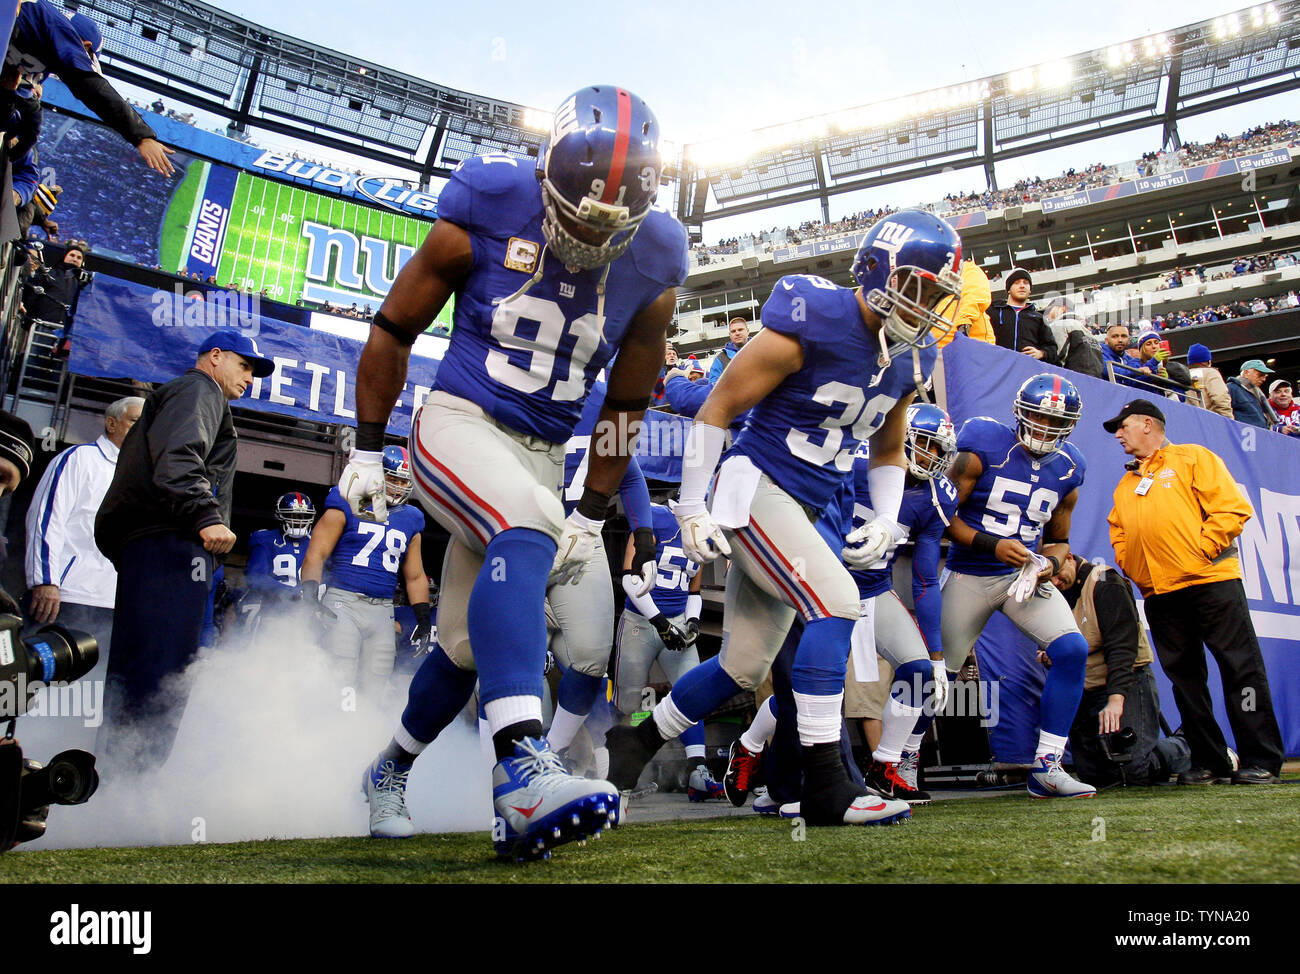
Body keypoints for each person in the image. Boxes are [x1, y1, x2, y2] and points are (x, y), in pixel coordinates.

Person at [345, 86, 686, 860]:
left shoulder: (658, 256)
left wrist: (595, 515)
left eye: (613, 227)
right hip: (459, 423)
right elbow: (394, 327)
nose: (592, 241)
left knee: (468, 648)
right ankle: (524, 770)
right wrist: (368, 447)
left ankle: (387, 771)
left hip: (541, 453)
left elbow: (627, 404)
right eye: (577, 215)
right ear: (546, 182)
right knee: (525, 518)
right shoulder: (490, 202)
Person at [607, 209, 964, 827]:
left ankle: (634, 744)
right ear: (878, 271)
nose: (927, 304)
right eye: (919, 287)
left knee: (743, 666)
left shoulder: (911, 356)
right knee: (836, 604)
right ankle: (827, 782)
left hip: (807, 501)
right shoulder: (815, 317)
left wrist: (884, 518)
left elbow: (888, 444)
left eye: (938, 293)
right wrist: (691, 504)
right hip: (758, 488)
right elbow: (716, 406)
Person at [94, 331, 273, 769]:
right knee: (164, 670)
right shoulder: (200, 389)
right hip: (171, 542)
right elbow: (179, 459)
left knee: (137, 671)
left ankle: (116, 783)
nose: (250, 378)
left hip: (153, 544)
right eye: (244, 365)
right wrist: (205, 515)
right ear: (215, 357)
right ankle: (136, 784)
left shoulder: (190, 393)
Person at [1105, 399, 1284, 785]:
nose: (1118, 435)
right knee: (1185, 681)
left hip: (1212, 583)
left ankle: (1260, 759)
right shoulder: (1127, 482)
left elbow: (1232, 509)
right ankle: (1209, 761)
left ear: (1148, 424)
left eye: (1123, 426)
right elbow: (1118, 532)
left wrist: (1199, 552)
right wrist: (1136, 569)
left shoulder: (1192, 458)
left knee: (1241, 669)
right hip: (1161, 594)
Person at [941, 373, 1095, 798]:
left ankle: (1047, 765)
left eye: (1055, 423)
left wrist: (1051, 562)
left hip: (1021, 577)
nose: (1045, 429)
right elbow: (942, 517)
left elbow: (1060, 540)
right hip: (970, 573)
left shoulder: (1069, 467)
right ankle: (901, 760)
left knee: (1071, 649)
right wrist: (992, 545)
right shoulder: (983, 445)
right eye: (1038, 418)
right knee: (939, 673)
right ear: (1021, 414)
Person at [846, 403, 959, 805]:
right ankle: (756, 748)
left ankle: (885, 766)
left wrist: (938, 655)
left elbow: (926, 578)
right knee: (807, 684)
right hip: (824, 585)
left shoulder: (935, 495)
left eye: (938, 449)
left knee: (919, 672)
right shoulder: (856, 460)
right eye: (925, 444)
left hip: (875, 589)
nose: (931, 456)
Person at [23, 396, 143, 731]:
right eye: (135, 421)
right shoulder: (79, 459)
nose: (141, 431)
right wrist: (45, 581)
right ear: (112, 423)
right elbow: (47, 519)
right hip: (69, 598)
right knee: (39, 689)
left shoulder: (142, 476)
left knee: (84, 699)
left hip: (114, 606)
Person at [301, 446, 430, 702]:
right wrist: (309, 598)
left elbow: (415, 576)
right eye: (392, 478)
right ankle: (327, 729)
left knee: (376, 682)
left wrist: (423, 619)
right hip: (343, 602)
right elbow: (316, 554)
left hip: (382, 609)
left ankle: (363, 732)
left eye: (403, 481)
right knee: (341, 675)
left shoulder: (411, 518)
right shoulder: (345, 501)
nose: (398, 486)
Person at [1053, 553, 1189, 787]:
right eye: (1048, 577)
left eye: (1056, 573)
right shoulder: (1050, 592)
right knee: (1095, 776)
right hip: (1084, 688)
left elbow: (1122, 649)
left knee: (1135, 771)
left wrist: (1116, 700)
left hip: (1125, 682)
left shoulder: (1105, 582)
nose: (1054, 582)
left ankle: (1192, 745)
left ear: (1069, 558)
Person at [610, 502, 716, 799]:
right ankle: (617, 770)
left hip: (678, 620)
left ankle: (697, 770)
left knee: (693, 693)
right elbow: (630, 579)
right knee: (627, 700)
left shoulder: (702, 529)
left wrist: (692, 622)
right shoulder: (653, 517)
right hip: (640, 622)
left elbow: (694, 589)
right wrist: (659, 623)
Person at [4, 1, 174, 175]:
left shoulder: (41, 68)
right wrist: (142, 136)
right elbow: (90, 86)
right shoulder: (55, 27)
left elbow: (18, 110)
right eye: (86, 57)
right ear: (85, 45)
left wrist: (11, 97)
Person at [243, 492, 316, 627]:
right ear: (281, 516)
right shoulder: (265, 539)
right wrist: (289, 593)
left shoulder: (318, 541)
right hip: (274, 610)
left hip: (308, 614)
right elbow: (255, 577)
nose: (299, 521)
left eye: (303, 516)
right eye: (294, 516)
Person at [987, 268, 1057, 363]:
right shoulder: (992, 311)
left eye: (1026, 283)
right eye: (1017, 282)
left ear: (1030, 290)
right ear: (1008, 289)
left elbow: (1052, 348)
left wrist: (1041, 353)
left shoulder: (1038, 318)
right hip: (997, 369)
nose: (1022, 286)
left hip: (1027, 371)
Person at [1226, 359, 1278, 430]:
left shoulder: (1257, 392)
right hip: (1244, 436)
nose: (1263, 379)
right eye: (1260, 375)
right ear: (1246, 373)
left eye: (1265, 376)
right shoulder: (1232, 388)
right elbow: (1224, 412)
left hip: (1261, 435)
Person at [1186, 344, 1233, 419]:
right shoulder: (1210, 373)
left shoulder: (1184, 375)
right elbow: (1220, 398)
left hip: (1192, 420)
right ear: (1208, 361)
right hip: (1211, 421)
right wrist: (1229, 420)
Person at [707, 317, 751, 383]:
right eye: (733, 331)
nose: (737, 333)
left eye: (740, 329)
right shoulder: (720, 359)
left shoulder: (761, 349)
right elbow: (713, 385)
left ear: (747, 331)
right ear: (730, 335)